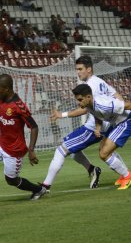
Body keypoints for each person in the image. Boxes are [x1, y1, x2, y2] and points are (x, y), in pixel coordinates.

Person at [46, 55, 126, 190]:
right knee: (77, 152)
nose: (78, 72)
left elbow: (84, 110)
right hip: (105, 124)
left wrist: (62, 114)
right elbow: (117, 96)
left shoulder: (90, 86)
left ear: (89, 69)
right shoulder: (100, 81)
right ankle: (94, 170)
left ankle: (45, 186)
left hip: (94, 127)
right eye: (76, 69)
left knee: (62, 149)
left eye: (80, 69)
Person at [72, 84, 131, 190]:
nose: (79, 102)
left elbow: (129, 105)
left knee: (104, 153)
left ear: (88, 97)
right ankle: (124, 175)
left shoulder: (104, 104)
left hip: (126, 122)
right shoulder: (89, 105)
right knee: (103, 150)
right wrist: (98, 128)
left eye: (80, 99)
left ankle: (127, 176)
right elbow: (98, 116)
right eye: (78, 100)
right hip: (116, 124)